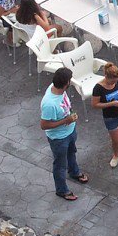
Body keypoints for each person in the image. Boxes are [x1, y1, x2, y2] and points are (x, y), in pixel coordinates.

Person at [39, 66, 88, 201]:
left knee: (71, 153)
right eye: (70, 80)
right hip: (59, 138)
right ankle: (61, 190)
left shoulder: (57, 89)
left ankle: (74, 172)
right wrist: (66, 120)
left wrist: (70, 117)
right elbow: (44, 125)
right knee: (60, 165)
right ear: (66, 83)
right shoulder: (49, 104)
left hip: (70, 131)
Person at [91, 62, 118, 168]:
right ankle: (116, 155)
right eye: (112, 81)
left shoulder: (117, 80)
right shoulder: (98, 88)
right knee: (115, 139)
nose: (114, 83)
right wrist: (111, 104)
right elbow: (95, 104)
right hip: (110, 117)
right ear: (106, 76)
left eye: (116, 81)